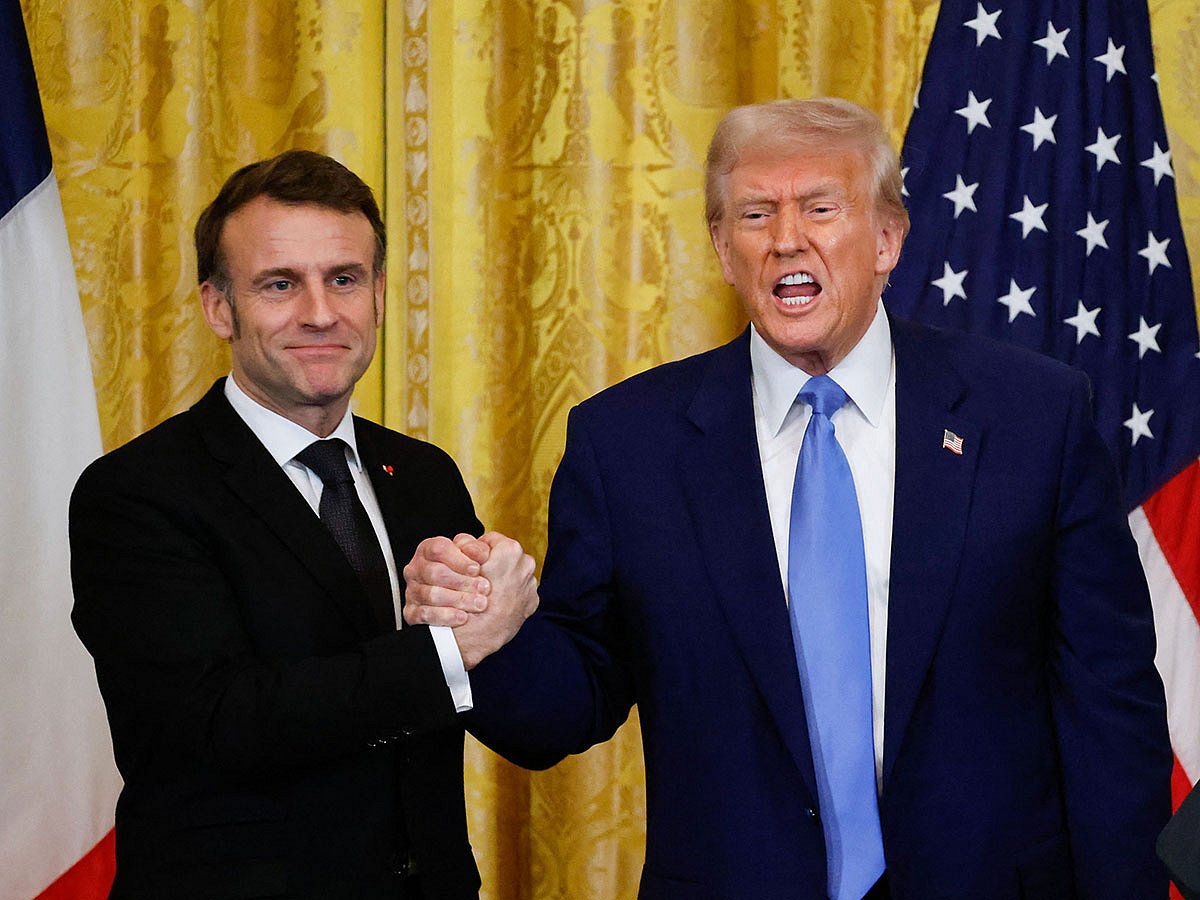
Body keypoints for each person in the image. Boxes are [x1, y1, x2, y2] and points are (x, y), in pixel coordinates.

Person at [404, 99, 1173, 899]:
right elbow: (570, 703)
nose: (786, 239)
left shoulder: (1034, 417)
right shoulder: (627, 445)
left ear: (887, 239)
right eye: (755, 214)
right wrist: (485, 636)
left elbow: (1109, 703)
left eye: (820, 208)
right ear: (722, 249)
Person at [69, 150, 536, 900]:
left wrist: (513, 605)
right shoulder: (135, 494)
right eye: (280, 284)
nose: (320, 312)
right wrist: (456, 646)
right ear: (219, 308)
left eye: (344, 279)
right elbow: (217, 724)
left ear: (378, 295)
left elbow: (504, 695)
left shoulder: (423, 475)